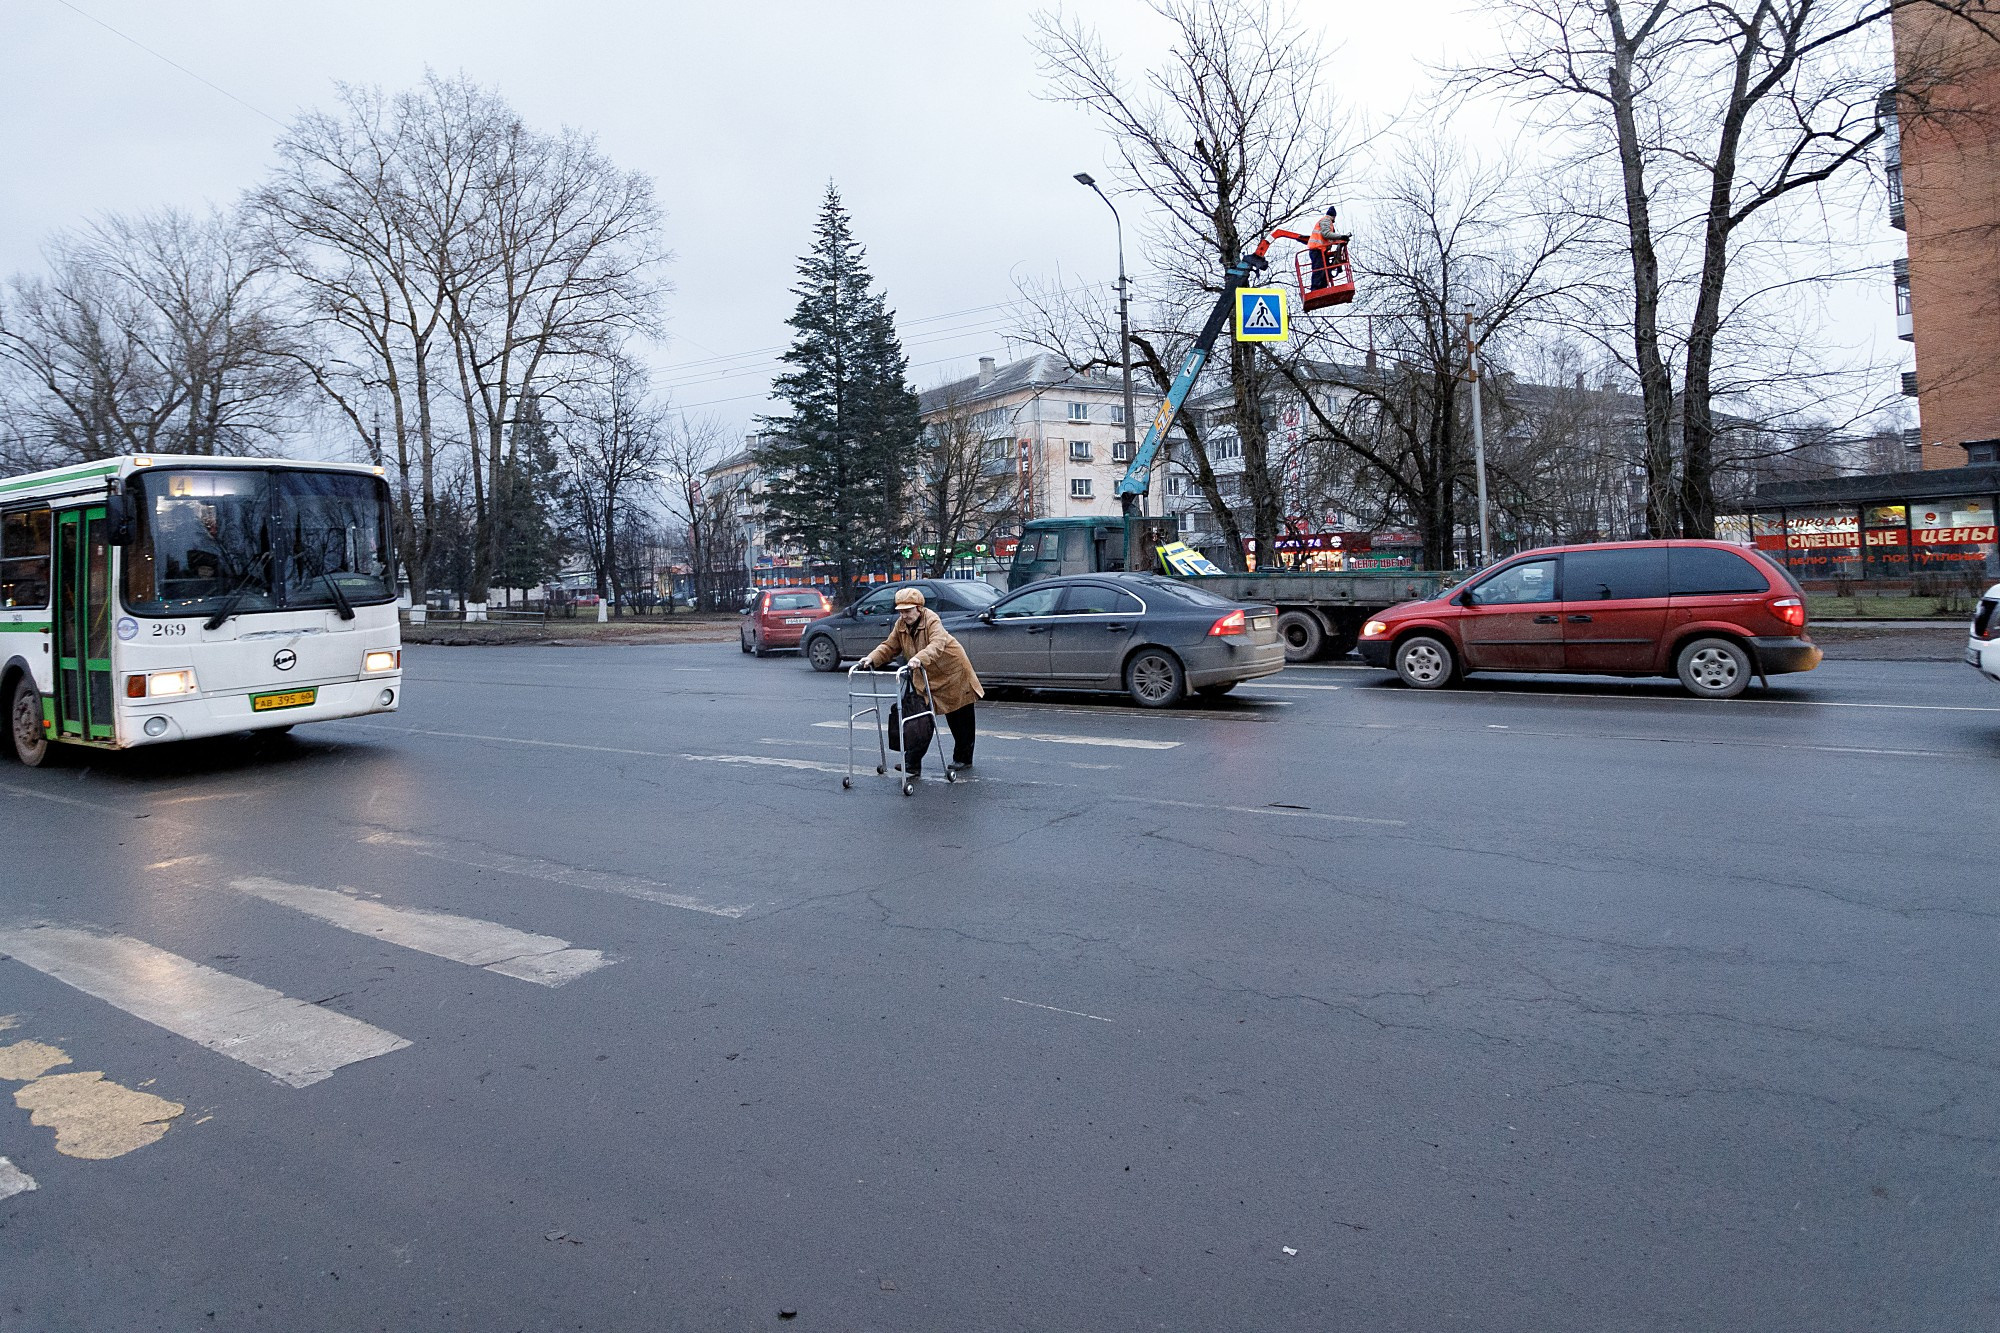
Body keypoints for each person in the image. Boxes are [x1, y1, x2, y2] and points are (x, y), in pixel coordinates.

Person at [862, 586, 983, 780]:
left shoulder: (932, 620)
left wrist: (919, 658)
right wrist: (871, 658)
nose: (904, 615)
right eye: (901, 611)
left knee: (960, 718)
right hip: (926, 675)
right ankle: (912, 763)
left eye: (908, 611)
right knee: (920, 718)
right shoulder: (901, 625)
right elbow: (889, 646)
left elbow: (937, 644)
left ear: (919, 608)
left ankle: (964, 758)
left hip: (952, 672)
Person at [1307, 205, 1343, 292]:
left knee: (1325, 270)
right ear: (1334, 216)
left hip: (1321, 250)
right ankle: (1315, 290)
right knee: (1319, 270)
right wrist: (1341, 237)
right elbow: (1326, 234)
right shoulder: (1326, 220)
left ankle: (1322, 289)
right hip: (1317, 250)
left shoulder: (1326, 221)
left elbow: (1328, 238)